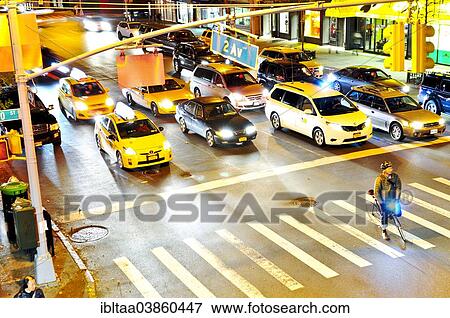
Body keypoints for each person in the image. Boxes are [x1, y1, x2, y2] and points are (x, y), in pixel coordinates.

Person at [374, 161, 402, 240]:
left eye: (391, 168)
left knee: (398, 212)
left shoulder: (395, 177)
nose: (391, 169)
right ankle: (384, 230)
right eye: (389, 168)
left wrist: (397, 199)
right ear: (384, 170)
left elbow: (398, 188)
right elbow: (376, 192)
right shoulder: (380, 179)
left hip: (393, 198)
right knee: (384, 214)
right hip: (384, 200)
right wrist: (381, 202)